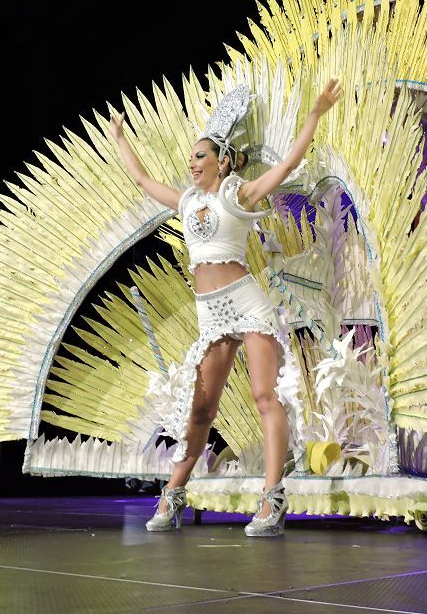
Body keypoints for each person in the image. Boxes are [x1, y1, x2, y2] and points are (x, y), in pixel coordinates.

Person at [109, 78, 343, 536]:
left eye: (200, 156)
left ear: (221, 161)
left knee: (263, 396)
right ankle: (173, 496)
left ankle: (272, 502)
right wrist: (120, 138)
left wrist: (315, 114)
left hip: (247, 303)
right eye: (191, 158)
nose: (192, 164)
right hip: (209, 312)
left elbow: (290, 163)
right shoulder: (186, 201)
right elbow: (140, 179)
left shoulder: (237, 195)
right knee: (200, 410)